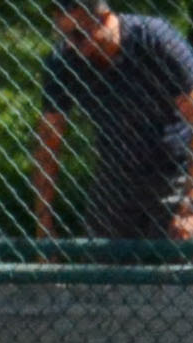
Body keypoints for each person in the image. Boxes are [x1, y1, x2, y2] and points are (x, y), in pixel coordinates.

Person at [33, 4, 193, 242]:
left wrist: (189, 208)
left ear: (104, 19)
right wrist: (43, 226)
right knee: (101, 264)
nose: (70, 45)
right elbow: (48, 142)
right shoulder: (65, 60)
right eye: (63, 35)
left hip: (175, 168)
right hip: (114, 175)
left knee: (178, 255)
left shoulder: (155, 41)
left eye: (78, 35)